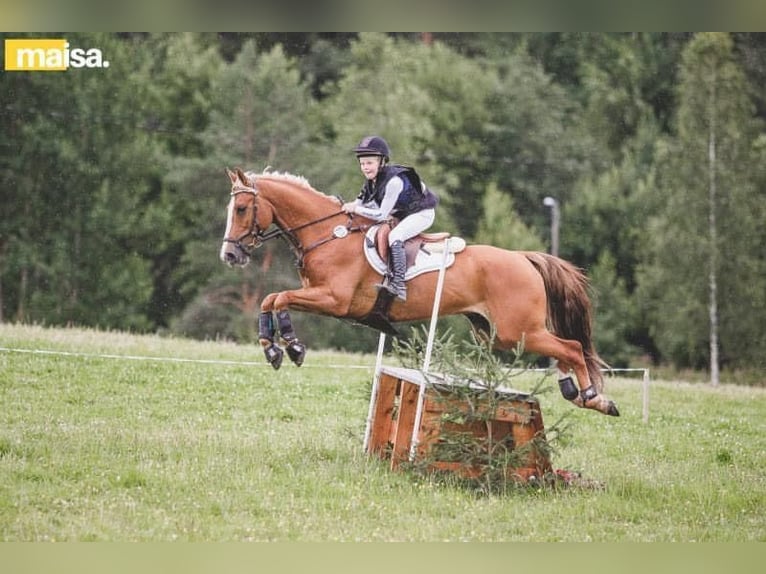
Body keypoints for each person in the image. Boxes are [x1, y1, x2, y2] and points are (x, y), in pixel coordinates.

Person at [342, 135, 438, 301]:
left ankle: (399, 284)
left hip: (422, 213)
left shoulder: (393, 181)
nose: (365, 168)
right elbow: (358, 204)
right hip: (402, 213)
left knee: (395, 236)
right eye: (362, 164)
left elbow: (381, 214)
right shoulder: (371, 181)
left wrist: (355, 208)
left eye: (369, 163)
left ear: (381, 162)